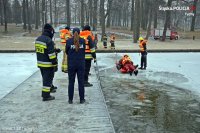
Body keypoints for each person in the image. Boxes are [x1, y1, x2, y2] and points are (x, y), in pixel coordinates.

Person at [35, 23, 57, 101]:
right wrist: (54, 63)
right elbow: (51, 54)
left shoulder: (38, 39)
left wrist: (54, 50)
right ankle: (46, 96)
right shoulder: (49, 40)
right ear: (50, 31)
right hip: (48, 64)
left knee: (45, 79)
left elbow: (42, 50)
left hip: (40, 62)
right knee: (47, 80)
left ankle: (47, 92)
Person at [66, 28, 86, 104]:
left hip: (71, 64)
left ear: (72, 33)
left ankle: (70, 100)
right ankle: (82, 99)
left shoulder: (68, 41)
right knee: (81, 82)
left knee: (71, 82)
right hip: (81, 64)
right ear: (80, 33)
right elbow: (83, 52)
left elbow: (67, 51)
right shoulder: (83, 41)